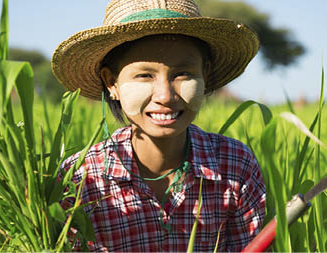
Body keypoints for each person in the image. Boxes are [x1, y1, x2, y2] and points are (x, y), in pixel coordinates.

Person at [52, 0, 266, 251]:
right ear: (112, 83)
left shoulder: (234, 165)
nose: (165, 96)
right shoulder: (80, 180)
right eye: (144, 75)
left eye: (183, 74)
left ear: (204, 75)